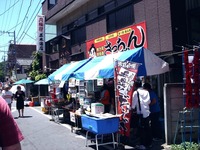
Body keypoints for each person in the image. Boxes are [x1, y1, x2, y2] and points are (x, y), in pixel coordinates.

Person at [131, 80, 152, 149]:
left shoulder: (135, 92)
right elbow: (149, 102)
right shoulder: (146, 91)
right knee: (147, 129)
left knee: (141, 130)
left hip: (140, 113)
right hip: (147, 112)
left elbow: (133, 105)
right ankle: (149, 143)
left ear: (135, 86)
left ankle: (142, 145)